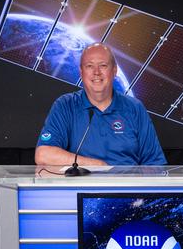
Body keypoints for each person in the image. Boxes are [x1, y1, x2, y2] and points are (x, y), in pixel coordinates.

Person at [35, 43, 166, 167]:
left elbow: (154, 163)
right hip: (81, 188)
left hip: (127, 188)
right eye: (89, 66)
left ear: (114, 71)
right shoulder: (65, 105)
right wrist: (96, 165)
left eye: (103, 65)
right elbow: (43, 155)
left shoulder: (134, 108)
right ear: (81, 72)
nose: (96, 72)